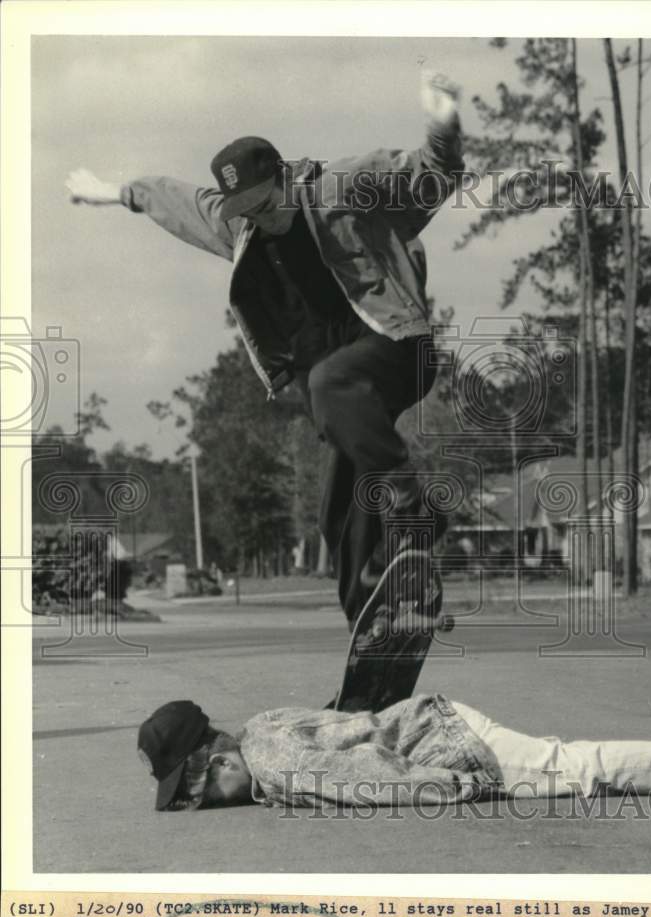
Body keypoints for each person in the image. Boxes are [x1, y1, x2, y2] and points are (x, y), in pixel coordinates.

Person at [66, 70, 465, 629]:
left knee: (330, 382)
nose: (258, 218)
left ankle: (414, 516)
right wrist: (112, 192)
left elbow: (433, 174)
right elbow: (174, 201)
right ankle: (384, 620)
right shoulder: (242, 228)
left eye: (264, 204)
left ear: (285, 177)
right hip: (346, 395)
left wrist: (443, 121)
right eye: (245, 210)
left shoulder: (341, 188)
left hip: (398, 347)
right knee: (337, 511)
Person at [137, 696, 651, 811]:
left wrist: (460, 785)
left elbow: (372, 778)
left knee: (575, 770)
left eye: (195, 794)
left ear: (217, 763)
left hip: (447, 747)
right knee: (562, 757)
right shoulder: (260, 727)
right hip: (433, 720)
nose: (199, 805)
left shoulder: (278, 765)